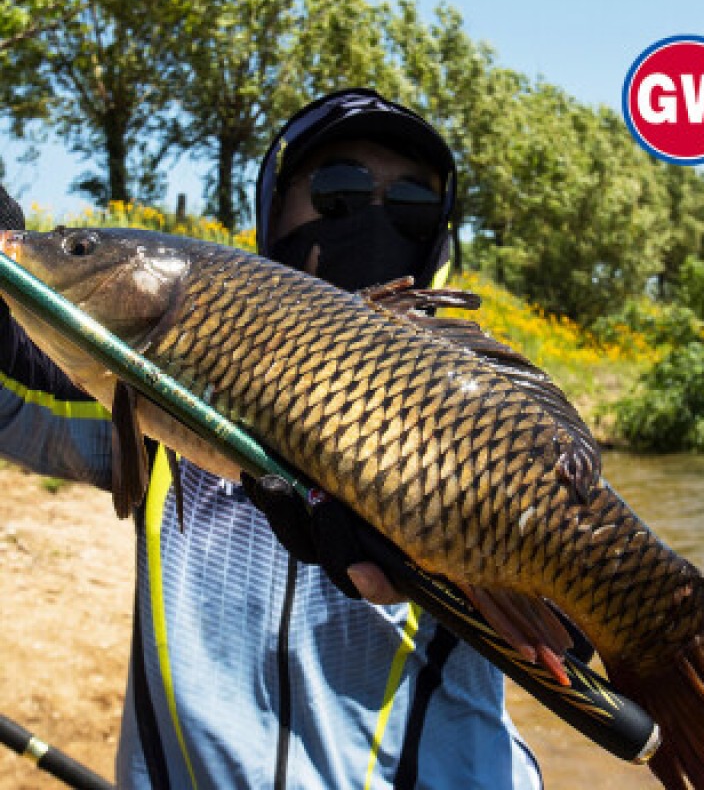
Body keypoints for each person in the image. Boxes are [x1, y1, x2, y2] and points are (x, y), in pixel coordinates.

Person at [0, 89, 543, 789]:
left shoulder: (479, 417)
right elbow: (14, 389)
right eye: (339, 189)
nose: (374, 217)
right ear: (275, 207)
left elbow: (571, 613)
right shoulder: (163, 409)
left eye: (411, 204)